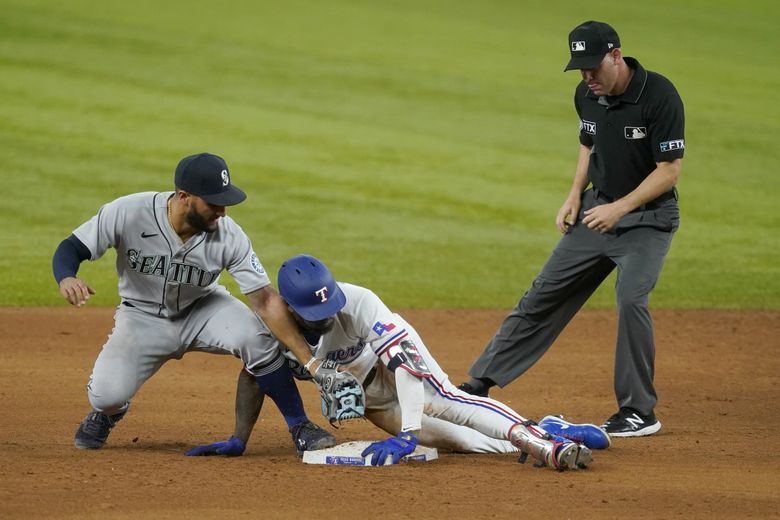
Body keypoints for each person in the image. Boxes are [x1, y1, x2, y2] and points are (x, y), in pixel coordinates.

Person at [459, 20, 685, 438]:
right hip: (597, 212)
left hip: (648, 220)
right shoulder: (586, 94)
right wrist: (574, 195)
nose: (587, 77)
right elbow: (588, 142)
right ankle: (478, 384)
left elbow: (669, 171)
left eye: (593, 67)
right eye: (579, 68)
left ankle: (639, 411)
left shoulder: (659, 95)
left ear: (616, 56)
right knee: (542, 294)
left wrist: (619, 208)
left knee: (631, 299)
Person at [188, 254, 611, 469]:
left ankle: (542, 444)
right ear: (289, 307)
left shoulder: (360, 303)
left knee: (446, 400)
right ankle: (547, 426)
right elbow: (253, 374)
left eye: (329, 306)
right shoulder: (274, 331)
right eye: (313, 314)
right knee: (457, 441)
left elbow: (405, 366)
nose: (327, 316)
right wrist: (240, 437)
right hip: (373, 400)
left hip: (395, 369)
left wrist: (407, 434)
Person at [52, 152, 335, 455]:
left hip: (204, 309)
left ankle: (299, 425)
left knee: (256, 338)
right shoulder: (128, 212)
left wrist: (310, 361)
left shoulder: (229, 235)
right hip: (141, 317)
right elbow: (72, 247)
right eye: (213, 203)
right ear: (184, 197)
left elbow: (265, 300)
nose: (222, 212)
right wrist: (67, 277)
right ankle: (108, 414)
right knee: (106, 396)